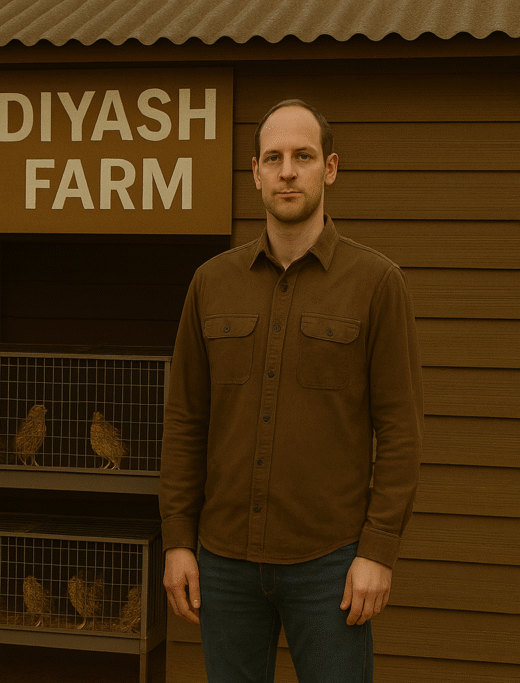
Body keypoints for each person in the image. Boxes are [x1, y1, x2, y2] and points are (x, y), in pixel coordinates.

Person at [159, 100, 423, 682]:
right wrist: (179, 540)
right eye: (274, 158)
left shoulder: (377, 283)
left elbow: (401, 430)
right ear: (255, 172)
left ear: (329, 168)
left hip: (329, 566)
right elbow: (184, 421)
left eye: (302, 156)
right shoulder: (210, 284)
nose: (287, 171)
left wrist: (377, 551)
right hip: (223, 563)